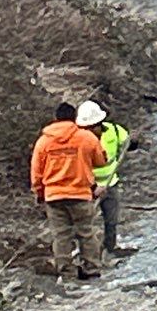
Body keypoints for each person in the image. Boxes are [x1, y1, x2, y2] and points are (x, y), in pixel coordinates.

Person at [30, 102, 107, 281]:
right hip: (80, 194)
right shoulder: (86, 138)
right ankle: (92, 269)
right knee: (86, 233)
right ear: (75, 118)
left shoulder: (43, 141)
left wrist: (40, 193)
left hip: (53, 196)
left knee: (61, 236)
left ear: (56, 119)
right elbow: (101, 160)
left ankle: (66, 273)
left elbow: (36, 172)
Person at [76, 99, 131, 257]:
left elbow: (127, 142)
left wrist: (132, 143)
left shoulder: (114, 131)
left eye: (93, 127)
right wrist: (93, 187)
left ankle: (109, 249)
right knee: (84, 223)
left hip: (109, 184)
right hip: (86, 187)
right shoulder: (78, 139)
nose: (91, 131)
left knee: (111, 219)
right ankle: (85, 254)